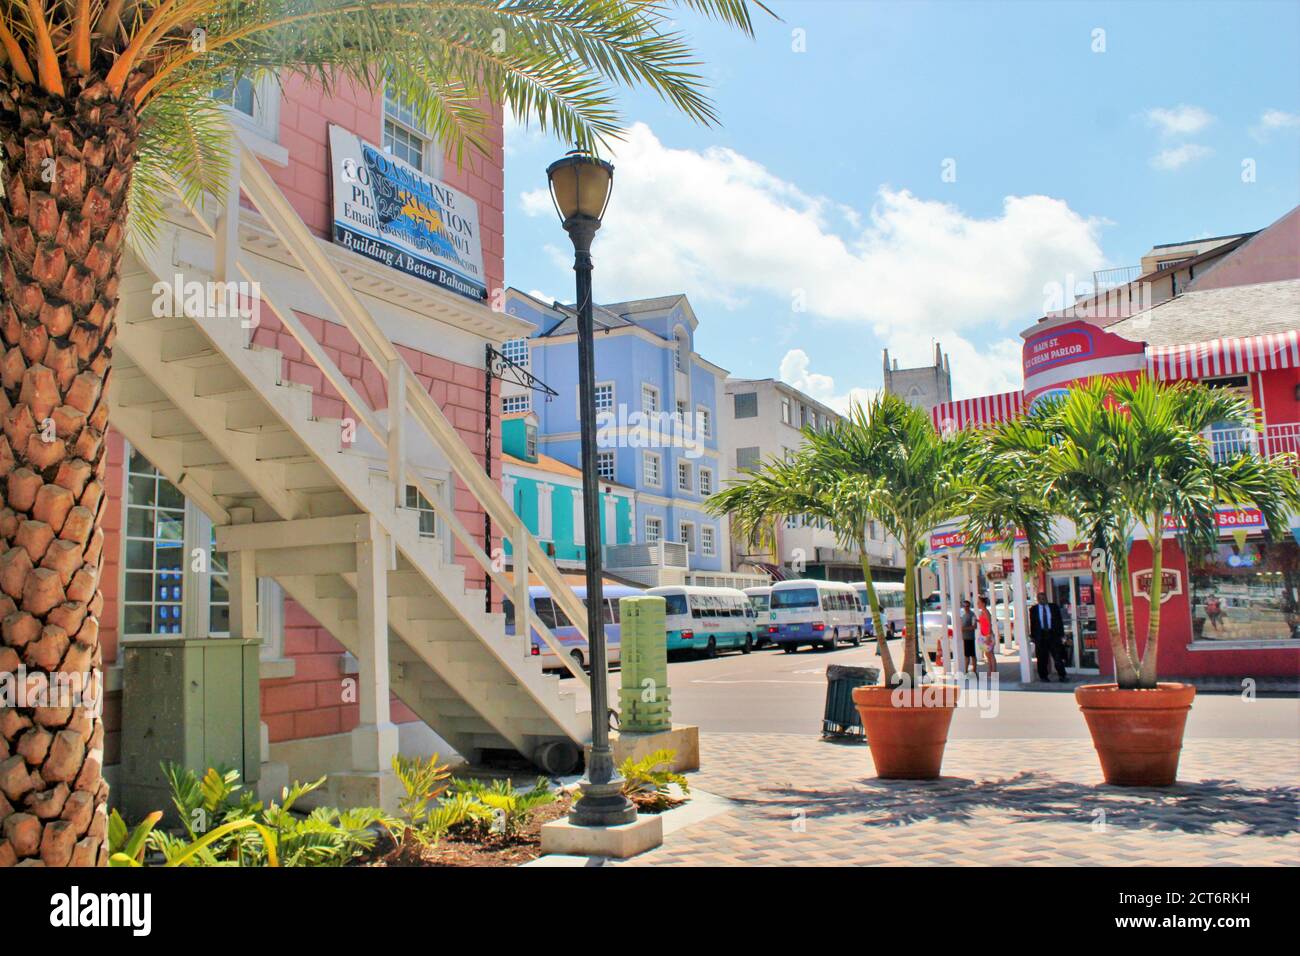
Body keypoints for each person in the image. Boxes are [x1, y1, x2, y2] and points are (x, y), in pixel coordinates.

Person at [1028, 590, 1068, 682]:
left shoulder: (1053, 607)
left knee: (1057, 656)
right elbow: (1033, 623)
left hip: (1053, 635)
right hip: (1041, 636)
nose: (1043, 600)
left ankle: (1062, 676)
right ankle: (1043, 676)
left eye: (1044, 598)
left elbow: (1059, 621)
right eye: (1041, 599)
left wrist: (1061, 634)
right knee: (1042, 658)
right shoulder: (1034, 609)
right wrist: (1033, 636)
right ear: (1037, 600)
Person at [977, 594, 996, 677]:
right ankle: (990, 671)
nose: (978, 604)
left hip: (988, 635)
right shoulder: (982, 612)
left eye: (979, 602)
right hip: (983, 635)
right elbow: (983, 622)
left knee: (990, 654)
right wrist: (977, 621)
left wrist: (988, 636)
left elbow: (989, 624)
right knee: (987, 654)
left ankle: (994, 671)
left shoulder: (986, 612)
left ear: (983, 603)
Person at [959, 599, 977, 673]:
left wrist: (964, 628)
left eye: (967, 606)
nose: (966, 607)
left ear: (969, 606)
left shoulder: (972, 615)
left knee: (972, 655)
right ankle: (966, 670)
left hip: (970, 637)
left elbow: (974, 626)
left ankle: (974, 670)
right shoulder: (963, 615)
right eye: (964, 606)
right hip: (964, 638)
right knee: (966, 655)